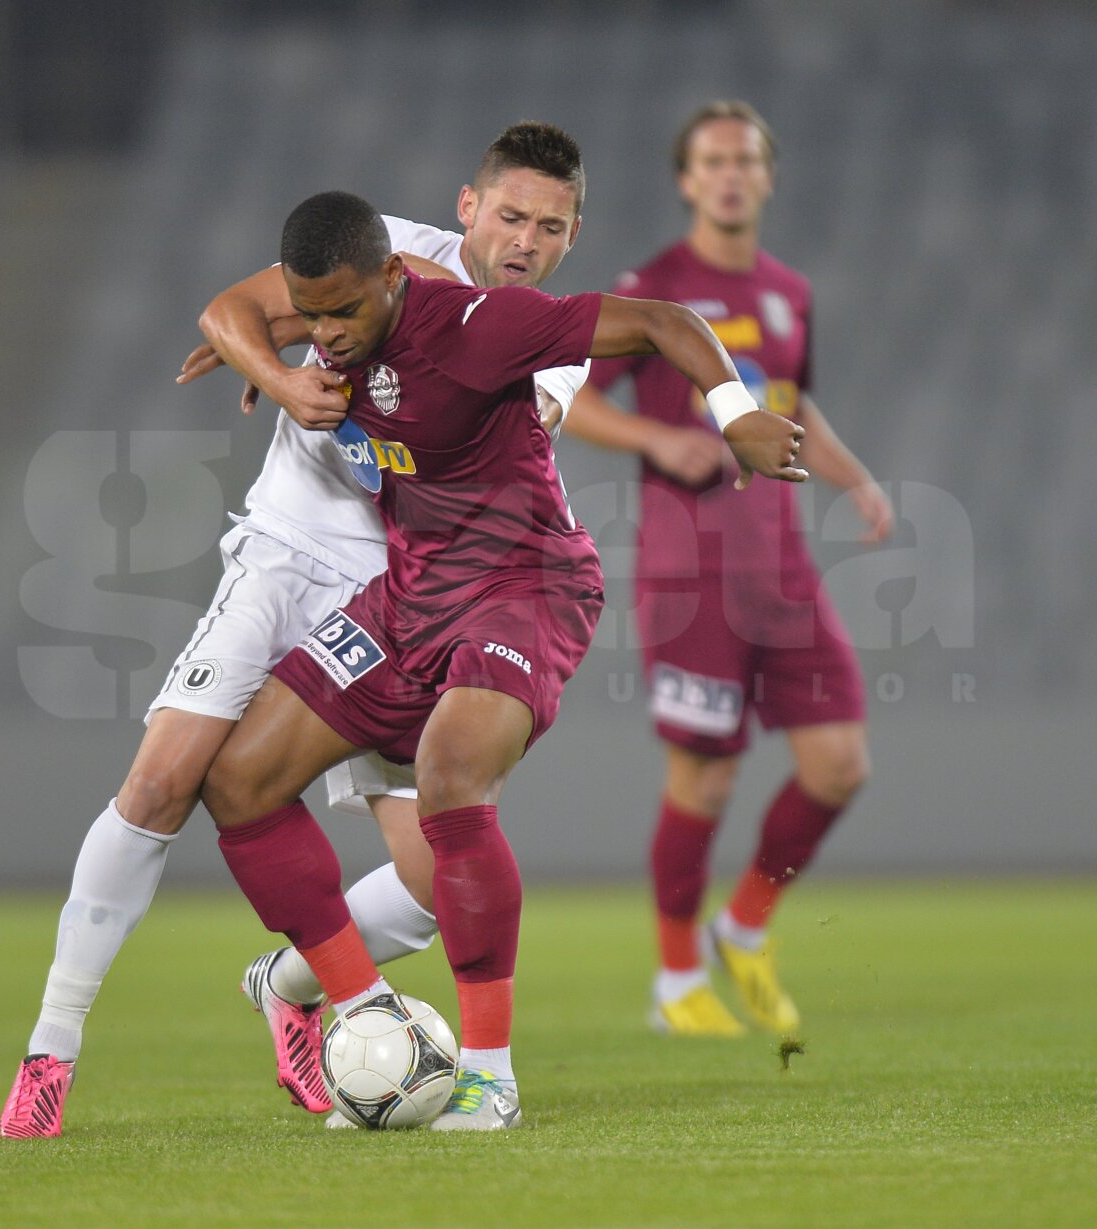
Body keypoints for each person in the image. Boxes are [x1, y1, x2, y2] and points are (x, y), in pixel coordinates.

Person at [0, 122, 592, 1140]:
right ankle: (51, 1053)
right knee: (166, 780)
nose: (525, 238)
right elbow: (232, 308)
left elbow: (456, 413)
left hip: (402, 588)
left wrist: (332, 365)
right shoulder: (377, 251)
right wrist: (284, 374)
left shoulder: (539, 337)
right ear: (468, 208)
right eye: (510, 215)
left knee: (442, 875)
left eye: (549, 226)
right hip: (282, 553)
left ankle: (295, 983)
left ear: (572, 237)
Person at [198, 189, 806, 1130]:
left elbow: (661, 321)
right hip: (411, 595)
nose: (327, 333)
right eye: (310, 315)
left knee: (448, 776)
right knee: (238, 780)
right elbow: (236, 314)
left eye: (344, 311)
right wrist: (266, 366)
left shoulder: (483, 326)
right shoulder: (330, 339)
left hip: (528, 584)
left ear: (396, 279)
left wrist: (735, 415)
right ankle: (363, 1010)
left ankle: (489, 1079)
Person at [562, 101, 893, 1038]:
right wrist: (662, 440)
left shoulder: (790, 289)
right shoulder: (656, 289)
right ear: (686, 179)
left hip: (782, 569)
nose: (731, 175)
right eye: (712, 161)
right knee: (702, 782)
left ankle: (743, 924)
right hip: (690, 571)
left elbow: (791, 408)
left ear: (768, 175)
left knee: (839, 765)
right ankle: (676, 982)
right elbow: (574, 401)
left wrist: (854, 477)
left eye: (745, 159)